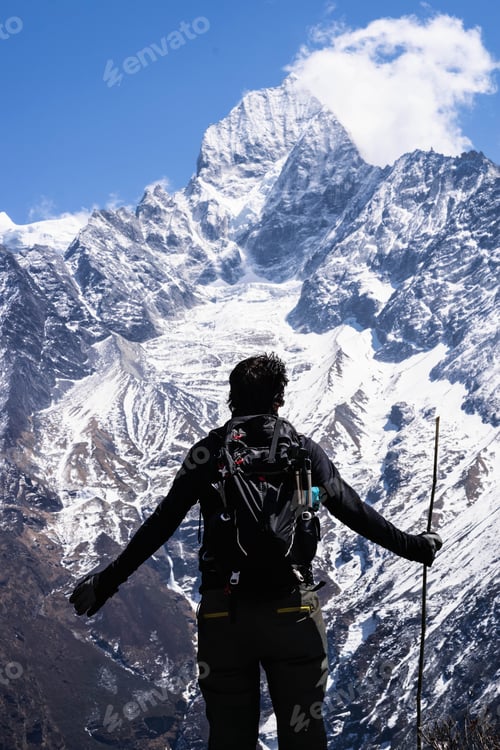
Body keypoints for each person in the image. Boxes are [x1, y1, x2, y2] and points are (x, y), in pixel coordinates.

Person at [70, 352, 442, 750]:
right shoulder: (303, 450)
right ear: (279, 399)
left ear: (231, 399)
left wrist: (107, 582)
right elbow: (355, 512)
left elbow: (161, 524)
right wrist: (416, 547)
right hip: (293, 611)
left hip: (224, 614)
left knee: (230, 740)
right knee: (305, 738)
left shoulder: (209, 453)